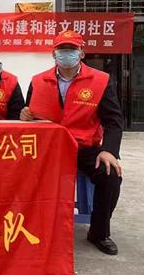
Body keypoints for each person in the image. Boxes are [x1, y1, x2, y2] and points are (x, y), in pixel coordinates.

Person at [21, 30, 124, 255]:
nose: (66, 53)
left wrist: (109, 151)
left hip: (85, 147)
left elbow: (114, 121)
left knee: (110, 176)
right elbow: (32, 114)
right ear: (53, 54)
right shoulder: (38, 81)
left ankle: (99, 233)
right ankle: (28, 227)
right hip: (50, 147)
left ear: (82, 53)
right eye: (62, 49)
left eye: (72, 49)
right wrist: (25, 115)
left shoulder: (100, 81)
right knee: (17, 173)